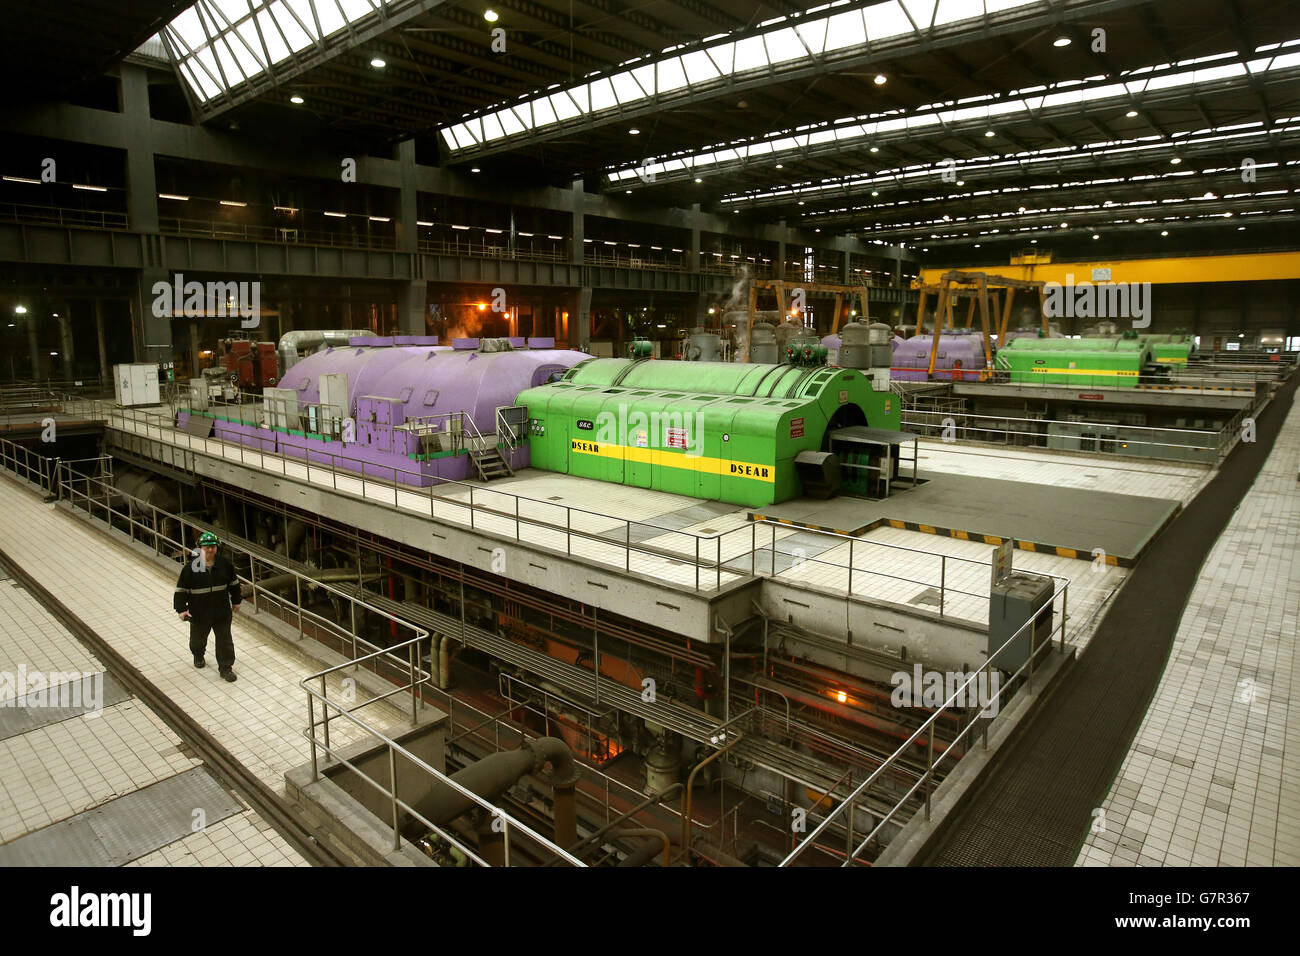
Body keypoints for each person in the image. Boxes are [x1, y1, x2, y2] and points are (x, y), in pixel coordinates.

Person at [174, 531, 242, 682]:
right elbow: (181, 591)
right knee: (198, 640)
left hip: (221, 612)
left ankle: (226, 668)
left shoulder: (225, 565)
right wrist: (181, 610)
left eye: (213, 546)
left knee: (225, 641)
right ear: (200, 548)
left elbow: (234, 585)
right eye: (206, 547)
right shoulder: (190, 568)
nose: (210, 550)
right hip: (199, 614)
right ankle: (198, 654)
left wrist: (237, 601)